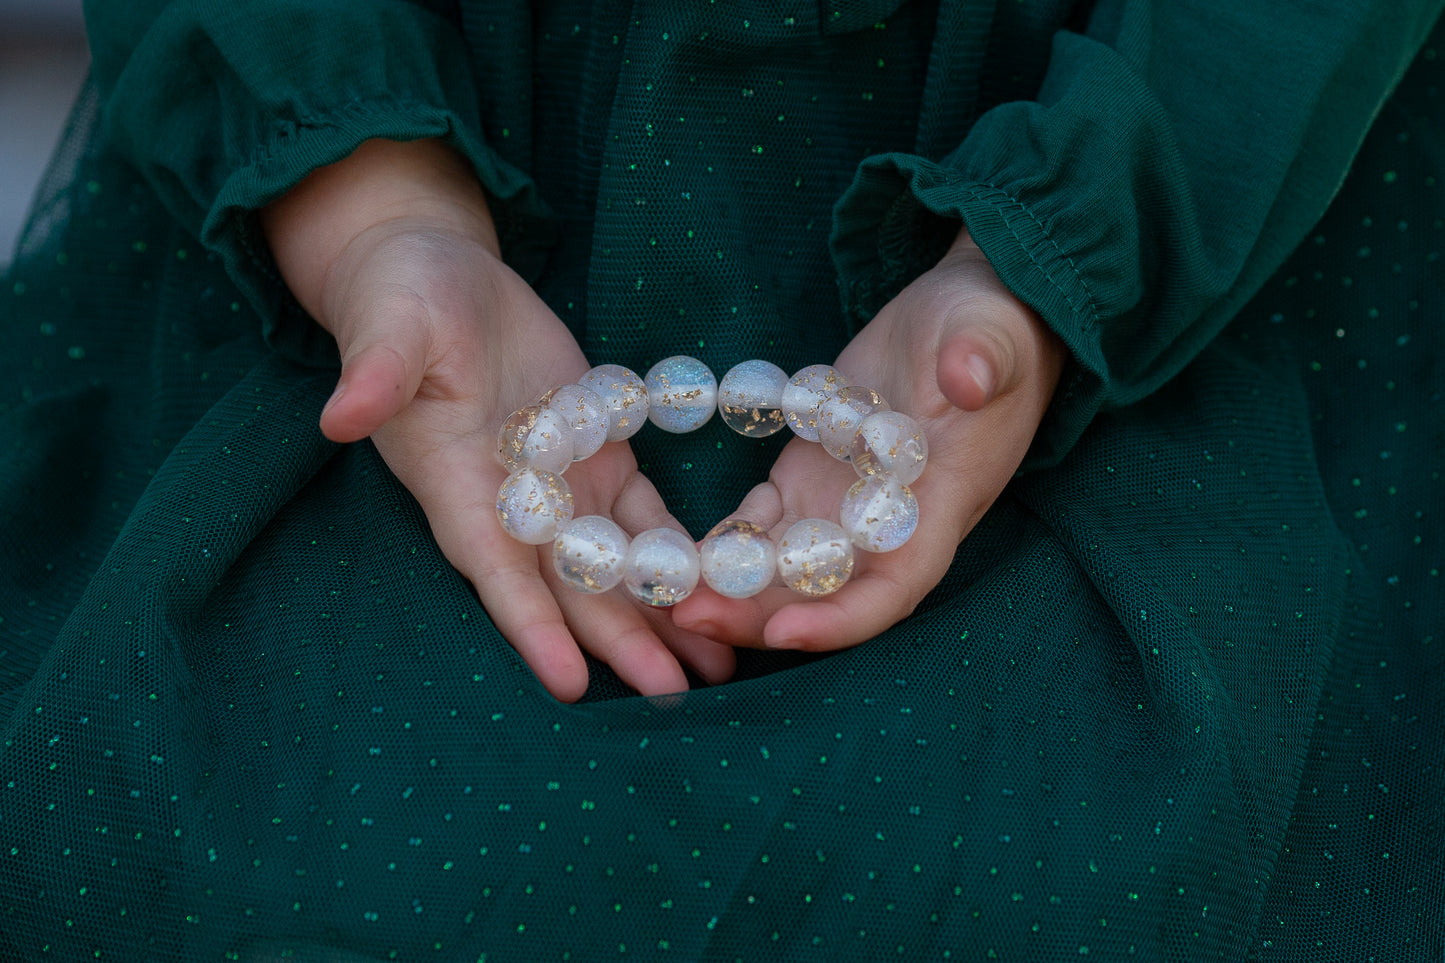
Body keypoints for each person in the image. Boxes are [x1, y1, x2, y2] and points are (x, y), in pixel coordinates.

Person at [0, 1, 1440, 960]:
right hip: (394, 177)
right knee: (204, 821)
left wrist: (1042, 262)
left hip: (1160, 177)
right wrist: (375, 215)